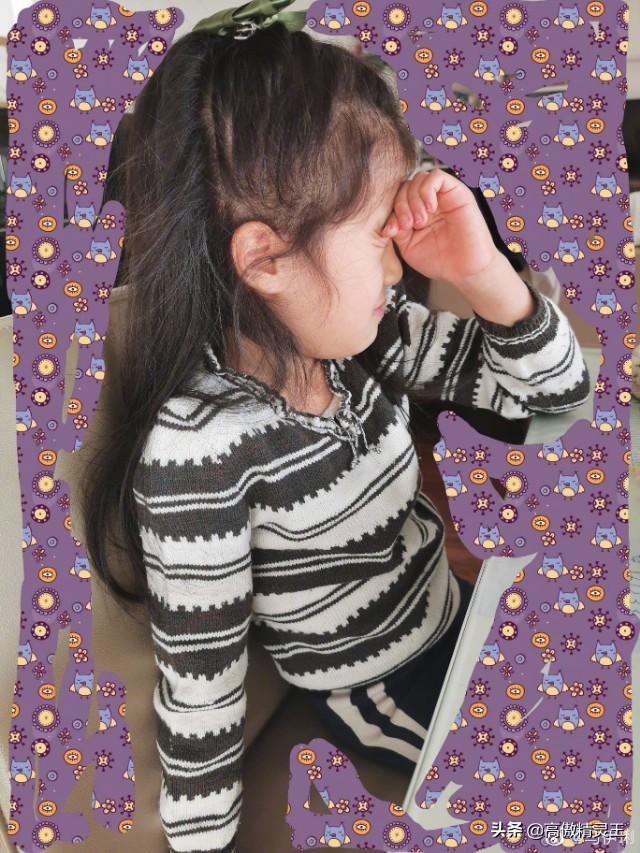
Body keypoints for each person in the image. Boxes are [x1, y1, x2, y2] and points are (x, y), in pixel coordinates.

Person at [80, 17, 591, 853]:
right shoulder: (202, 448)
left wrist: (484, 273)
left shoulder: (358, 341)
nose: (398, 264)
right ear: (265, 259)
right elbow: (201, 687)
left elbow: (555, 386)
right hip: (387, 688)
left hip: (459, 619)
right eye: (378, 235)